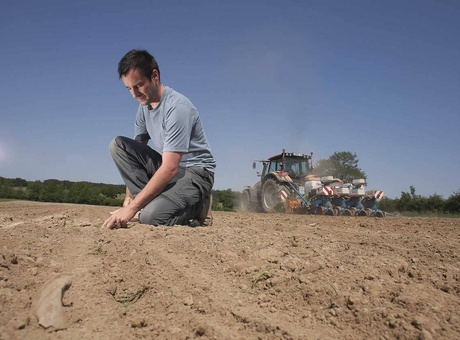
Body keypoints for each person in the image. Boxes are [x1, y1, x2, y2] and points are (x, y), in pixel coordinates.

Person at [103, 49, 216, 229]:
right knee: (118, 146)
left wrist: (132, 209)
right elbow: (135, 154)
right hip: (170, 167)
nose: (134, 94)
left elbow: (170, 168)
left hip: (195, 172)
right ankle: (151, 205)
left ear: (154, 75)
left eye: (138, 85)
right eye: (128, 89)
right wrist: (129, 197)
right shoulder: (144, 107)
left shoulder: (177, 108)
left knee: (149, 217)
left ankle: (198, 207)